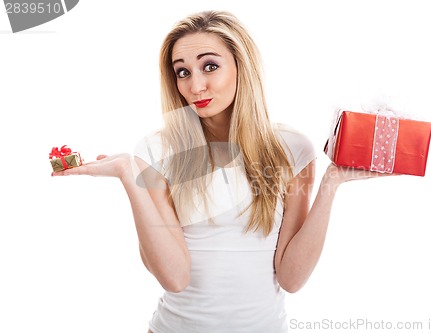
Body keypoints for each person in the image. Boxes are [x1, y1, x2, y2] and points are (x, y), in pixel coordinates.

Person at [52, 10, 390, 333]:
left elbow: (292, 278)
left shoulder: (292, 148)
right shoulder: (156, 152)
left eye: (209, 66)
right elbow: (175, 278)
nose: (195, 86)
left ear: (242, 66)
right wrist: (129, 176)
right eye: (182, 72)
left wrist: (332, 183)